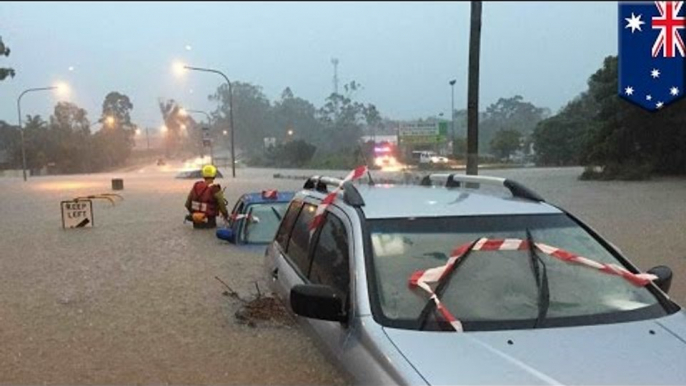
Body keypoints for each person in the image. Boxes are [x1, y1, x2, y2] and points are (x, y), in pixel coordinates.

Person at [185, 164, 228, 229]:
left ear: (203, 175)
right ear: (214, 175)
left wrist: (194, 214)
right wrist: (226, 216)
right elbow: (222, 204)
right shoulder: (215, 189)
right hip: (209, 220)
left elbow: (187, 204)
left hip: (196, 220)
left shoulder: (196, 186)